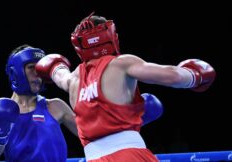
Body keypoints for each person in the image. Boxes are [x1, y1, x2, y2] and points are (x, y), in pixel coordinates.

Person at [35, 12, 216, 162]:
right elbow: (173, 76)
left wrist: (54, 66)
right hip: (130, 155)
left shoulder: (73, 79)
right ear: (111, 36)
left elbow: (58, 74)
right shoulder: (121, 64)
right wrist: (195, 76)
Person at [0, 44, 78, 162]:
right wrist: (0, 135)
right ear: (16, 72)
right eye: (31, 67)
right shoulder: (0, 110)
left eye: (40, 69)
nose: (37, 73)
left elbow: (89, 132)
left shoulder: (56, 106)